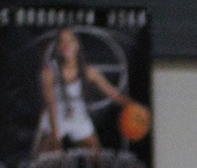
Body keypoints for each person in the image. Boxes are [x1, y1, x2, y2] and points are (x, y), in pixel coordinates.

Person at [35, 27, 132, 155]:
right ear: (58, 47)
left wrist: (133, 105)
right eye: (62, 41)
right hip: (55, 117)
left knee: (97, 160)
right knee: (44, 163)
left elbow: (113, 94)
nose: (66, 45)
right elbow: (50, 103)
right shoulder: (49, 71)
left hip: (77, 116)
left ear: (77, 45)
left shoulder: (88, 70)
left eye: (70, 40)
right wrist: (55, 133)